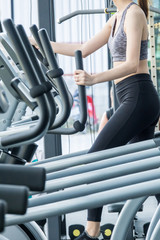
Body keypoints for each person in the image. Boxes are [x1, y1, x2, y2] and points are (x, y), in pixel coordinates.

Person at [30, 0, 160, 239]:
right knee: (149, 171)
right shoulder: (117, 17)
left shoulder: (134, 13)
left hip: (138, 95)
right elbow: (83, 48)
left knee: (95, 162)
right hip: (130, 97)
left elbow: (131, 64)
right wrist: (42, 44)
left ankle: (92, 231)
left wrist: (93, 79)